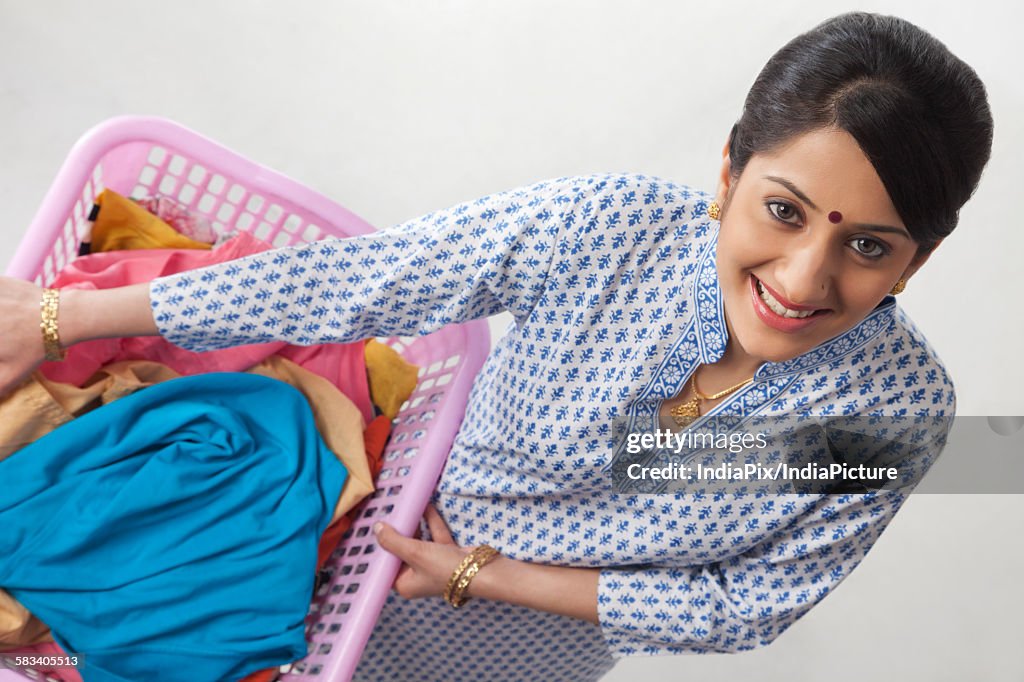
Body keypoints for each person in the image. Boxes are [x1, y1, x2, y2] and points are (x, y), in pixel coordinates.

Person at [0, 11, 993, 682]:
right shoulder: (607, 230)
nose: (805, 278)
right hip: (361, 528)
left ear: (920, 256)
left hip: (524, 647)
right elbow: (370, 278)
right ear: (729, 171)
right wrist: (58, 319)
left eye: (868, 245)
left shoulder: (890, 412)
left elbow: (742, 603)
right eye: (782, 211)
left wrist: (478, 575)